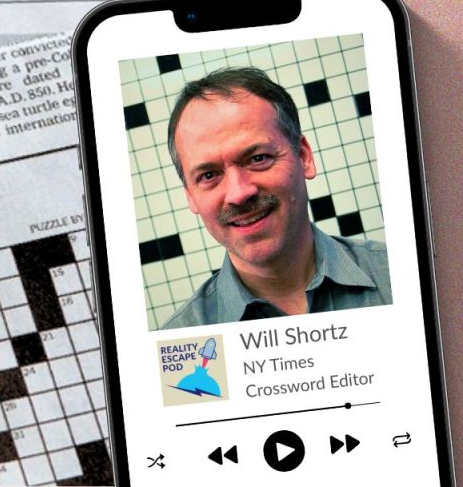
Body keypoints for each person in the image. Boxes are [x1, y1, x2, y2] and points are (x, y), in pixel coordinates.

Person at [162, 67, 391, 329]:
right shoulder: (180, 341)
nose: (238, 193)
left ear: (304, 157)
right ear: (190, 195)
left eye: (258, 158)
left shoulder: (404, 278)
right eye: (209, 175)